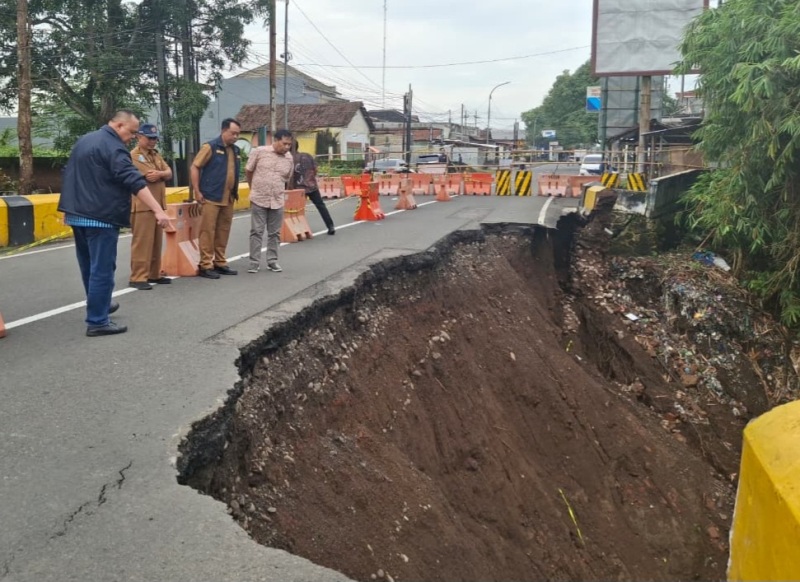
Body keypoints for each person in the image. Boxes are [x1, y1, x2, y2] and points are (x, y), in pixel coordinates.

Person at [58, 110, 171, 337]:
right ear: (119, 126)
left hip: (77, 214)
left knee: (88, 265)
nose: (132, 137)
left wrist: (68, 208)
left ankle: (100, 303)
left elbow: (69, 174)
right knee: (102, 269)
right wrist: (158, 210)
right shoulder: (114, 147)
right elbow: (133, 180)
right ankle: (98, 321)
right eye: (131, 132)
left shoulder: (84, 140)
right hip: (101, 217)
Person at [191, 118, 242, 279]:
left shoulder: (236, 150)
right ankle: (205, 264)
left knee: (223, 230)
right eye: (233, 133)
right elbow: (195, 167)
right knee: (207, 231)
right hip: (211, 196)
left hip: (228, 197)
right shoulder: (210, 147)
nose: (235, 137)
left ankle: (220, 262)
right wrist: (197, 191)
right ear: (223, 131)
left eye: (238, 134)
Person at [129, 123, 173, 290]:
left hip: (157, 205)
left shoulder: (155, 154)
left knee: (156, 242)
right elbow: (149, 175)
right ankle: (138, 277)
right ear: (139, 137)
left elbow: (168, 172)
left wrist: (161, 174)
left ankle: (154, 274)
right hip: (142, 205)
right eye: (149, 138)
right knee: (142, 242)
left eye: (155, 138)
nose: (153, 141)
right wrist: (162, 174)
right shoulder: (134, 156)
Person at [245, 129, 294, 273]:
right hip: (259, 198)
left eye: (289, 144)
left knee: (275, 233)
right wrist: (253, 188)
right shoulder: (259, 152)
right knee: (257, 231)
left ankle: (272, 261)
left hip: (277, 200)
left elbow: (287, 178)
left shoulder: (289, 158)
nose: (287, 147)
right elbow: (249, 170)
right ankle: (254, 262)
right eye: (284, 143)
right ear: (276, 140)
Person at [292, 142, 335, 236]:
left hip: (298, 188)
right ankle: (330, 226)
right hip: (312, 185)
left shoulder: (289, 159)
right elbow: (315, 169)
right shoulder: (308, 155)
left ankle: (299, 229)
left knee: (297, 209)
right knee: (321, 206)